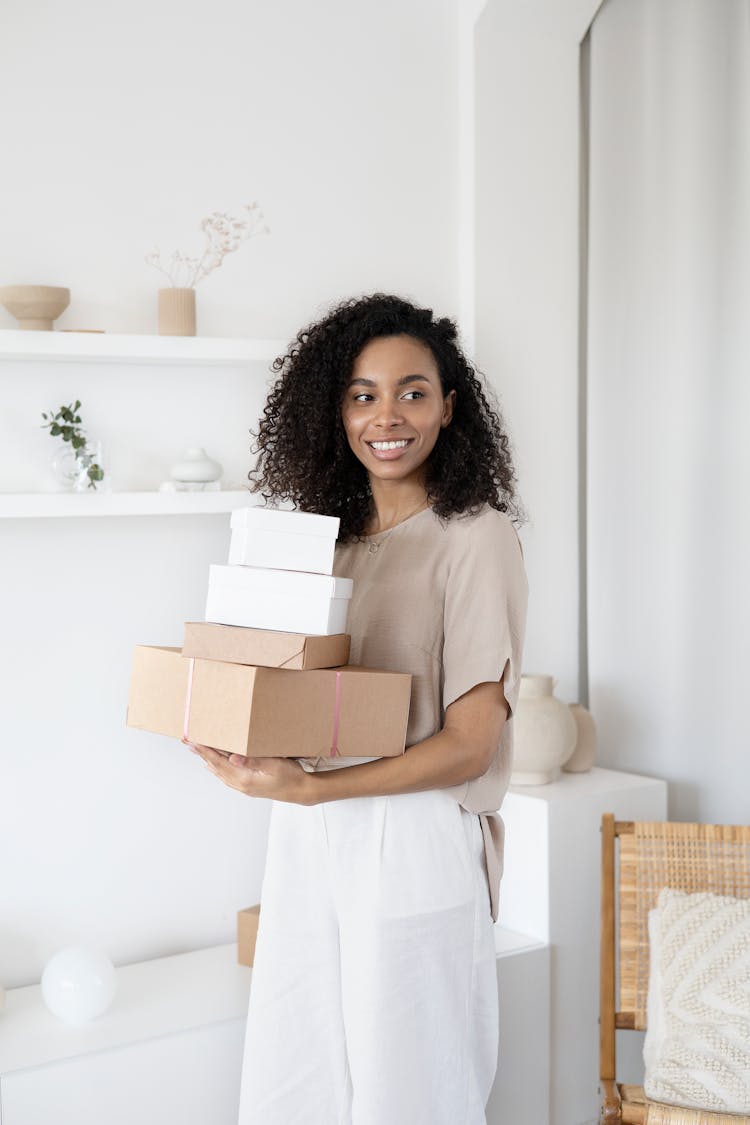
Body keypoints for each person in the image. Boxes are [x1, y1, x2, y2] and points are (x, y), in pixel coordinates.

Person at [188, 293, 529, 1125]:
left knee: (413, 1091)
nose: (388, 416)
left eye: (413, 391)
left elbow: (471, 745)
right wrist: (239, 739)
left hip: (410, 833)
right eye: (362, 394)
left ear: (450, 408)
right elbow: (300, 700)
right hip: (309, 837)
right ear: (335, 409)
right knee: (296, 1072)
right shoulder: (328, 543)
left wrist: (314, 789)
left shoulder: (475, 536)